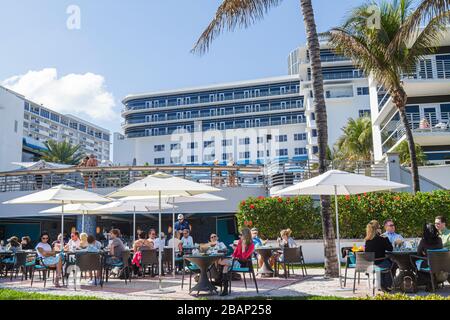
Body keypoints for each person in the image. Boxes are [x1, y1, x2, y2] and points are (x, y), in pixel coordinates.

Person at [216, 228, 255, 296]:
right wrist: (233, 256)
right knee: (223, 264)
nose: (239, 236)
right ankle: (225, 289)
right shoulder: (240, 241)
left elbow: (244, 258)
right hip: (235, 261)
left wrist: (243, 247)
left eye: (241, 235)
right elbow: (235, 252)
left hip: (243, 264)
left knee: (221, 262)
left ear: (245, 235)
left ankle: (219, 281)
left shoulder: (251, 245)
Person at [364, 220, 393, 292]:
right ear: (377, 229)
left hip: (370, 265)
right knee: (391, 263)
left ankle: (381, 284)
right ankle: (388, 285)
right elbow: (390, 249)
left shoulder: (367, 240)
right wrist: (386, 238)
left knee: (382, 262)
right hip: (380, 263)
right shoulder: (382, 238)